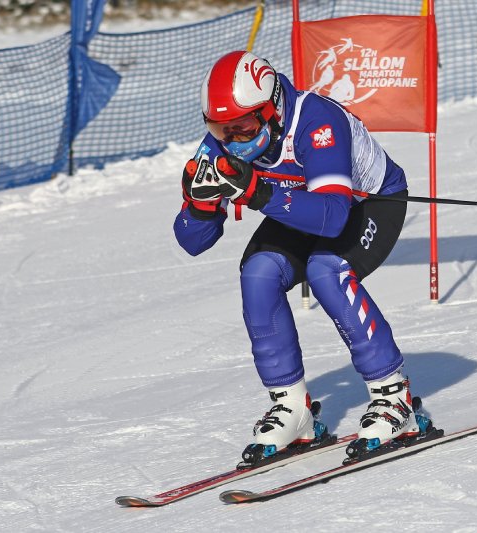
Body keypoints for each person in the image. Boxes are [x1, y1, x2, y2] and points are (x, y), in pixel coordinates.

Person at [173, 50, 425, 459]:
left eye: (243, 127)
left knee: (327, 269)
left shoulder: (316, 121)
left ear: (271, 109)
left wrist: (257, 192)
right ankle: (293, 410)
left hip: (367, 203)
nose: (233, 140)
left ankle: (395, 399)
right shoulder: (220, 144)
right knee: (258, 273)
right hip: (296, 202)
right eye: (220, 129)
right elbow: (192, 242)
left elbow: (332, 219)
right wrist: (199, 207)